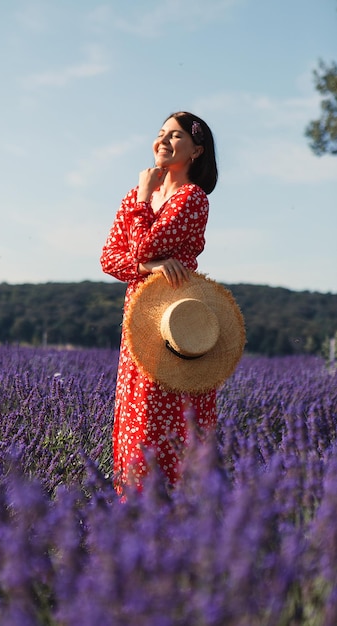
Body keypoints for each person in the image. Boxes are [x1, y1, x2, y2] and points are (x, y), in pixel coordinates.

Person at [100, 111, 219, 493]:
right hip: (138, 320)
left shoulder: (193, 198)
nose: (164, 141)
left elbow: (141, 245)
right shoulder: (136, 196)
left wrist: (141, 200)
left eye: (176, 136)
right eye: (161, 133)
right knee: (133, 417)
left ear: (197, 150)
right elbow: (108, 258)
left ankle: (170, 518)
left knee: (163, 420)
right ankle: (132, 517)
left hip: (174, 323)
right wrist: (149, 265)